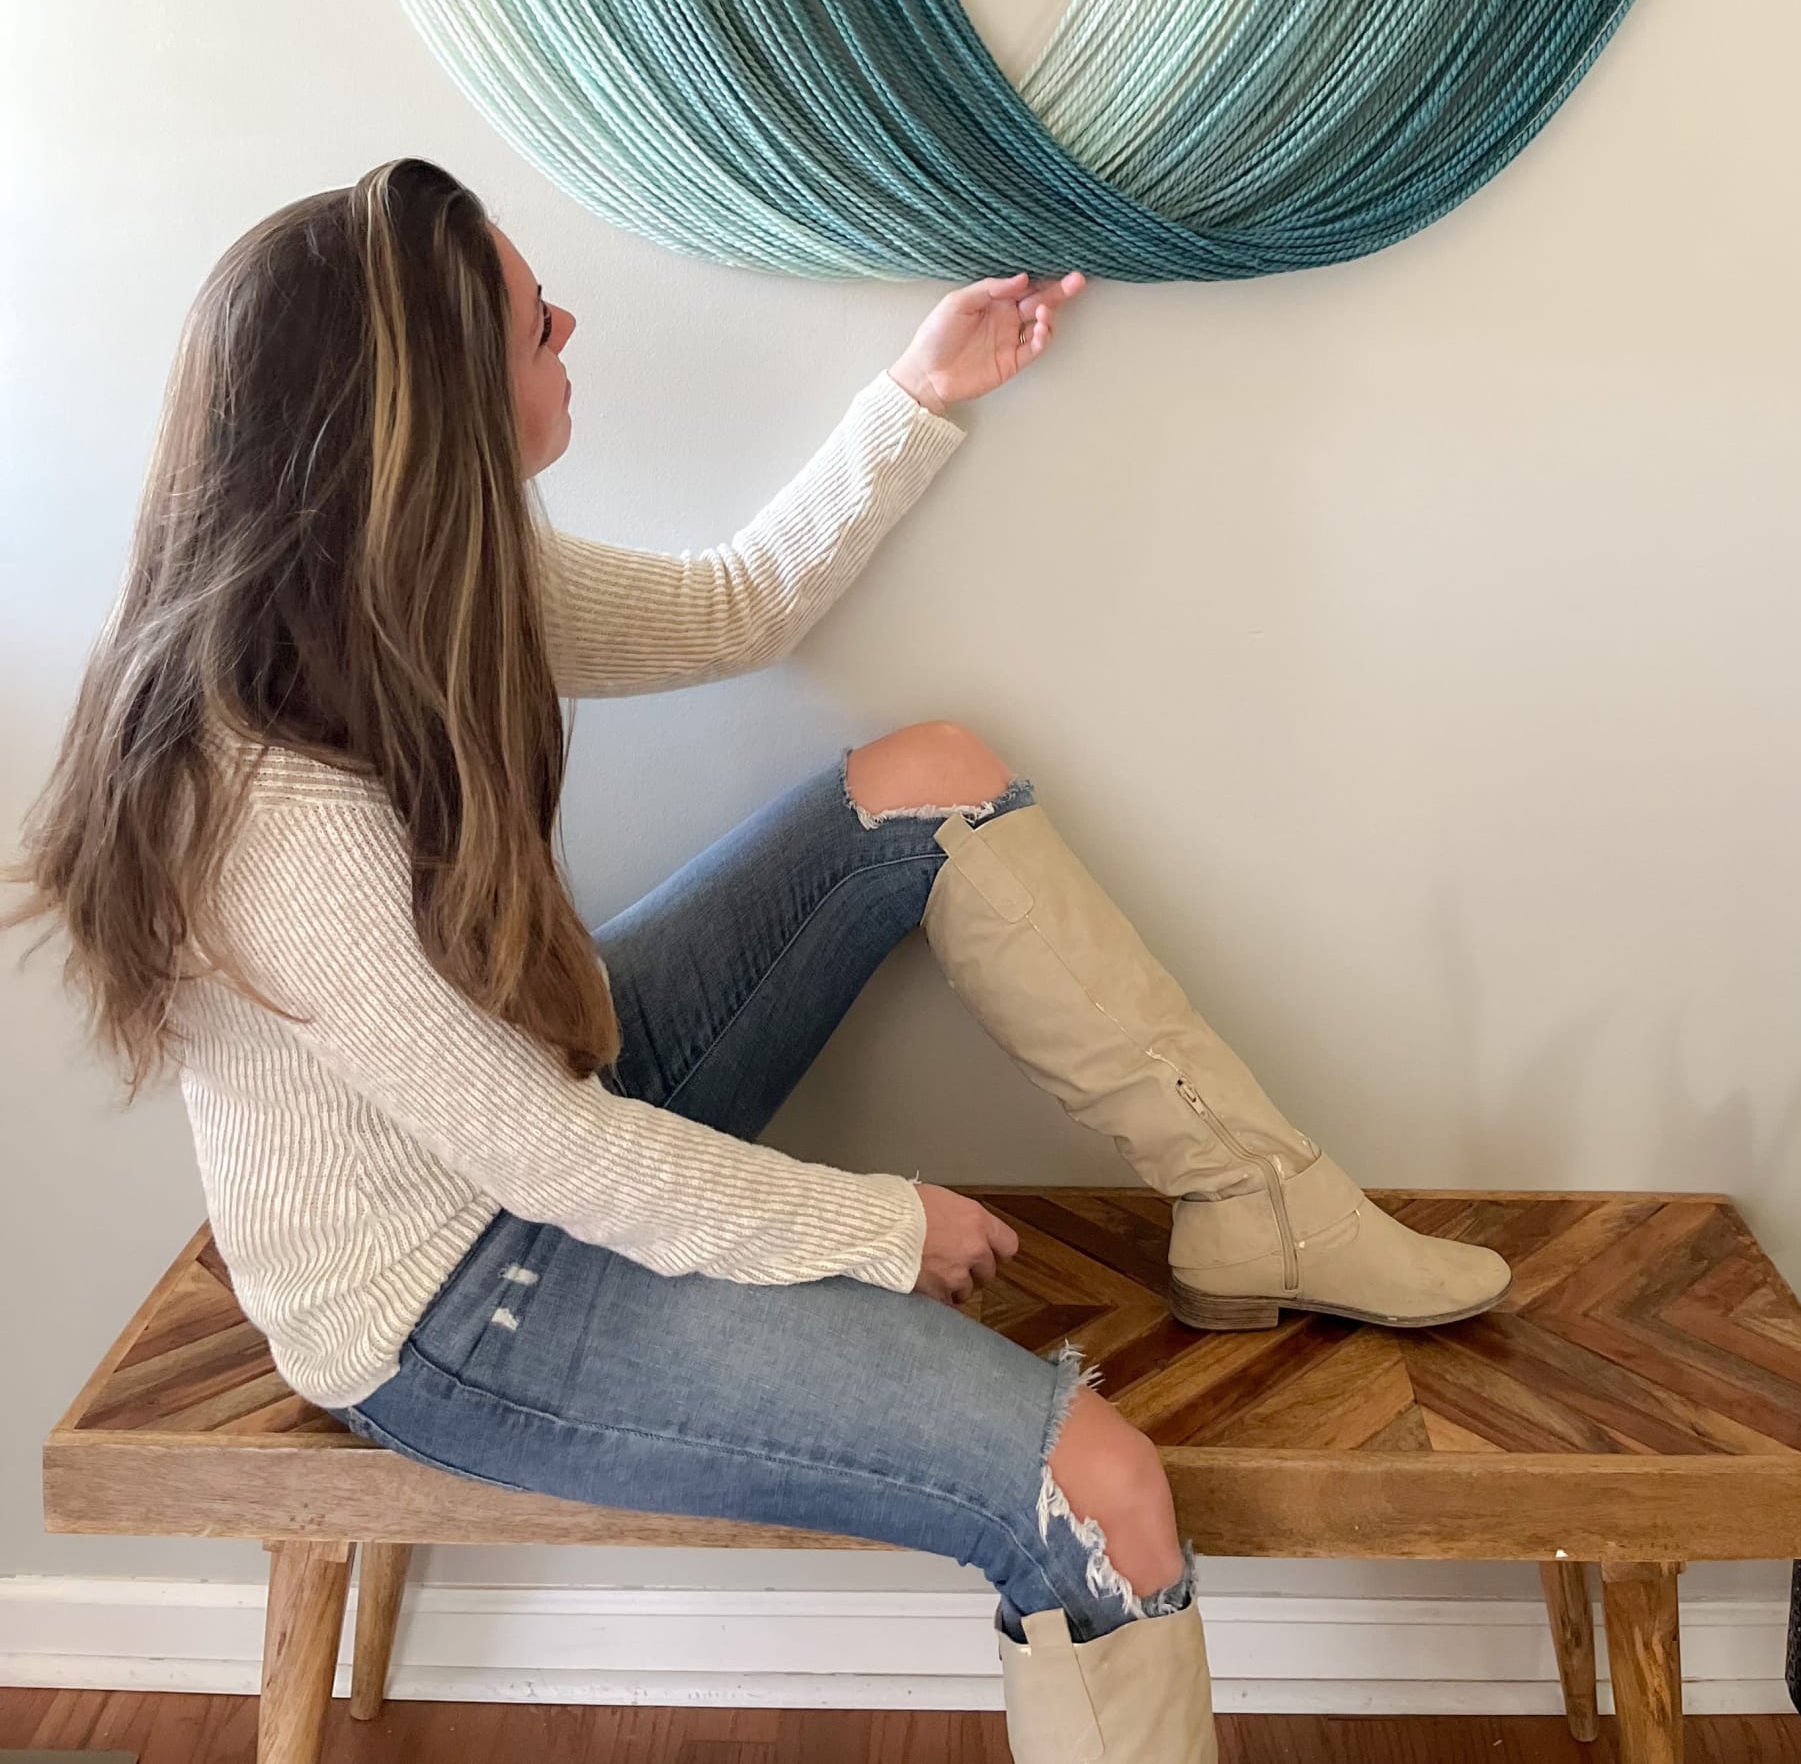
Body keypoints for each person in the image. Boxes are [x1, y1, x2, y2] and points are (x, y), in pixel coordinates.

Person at [17, 157, 1508, 1763]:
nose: (570, 321)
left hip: (539, 1105)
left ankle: (1257, 1207)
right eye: (534, 320)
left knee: (925, 778)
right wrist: (875, 1226)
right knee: (1102, 1492)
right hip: (456, 1305)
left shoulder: (435, 584)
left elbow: (737, 609)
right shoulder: (267, 810)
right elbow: (550, 1158)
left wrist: (923, 389)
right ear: (438, 408)